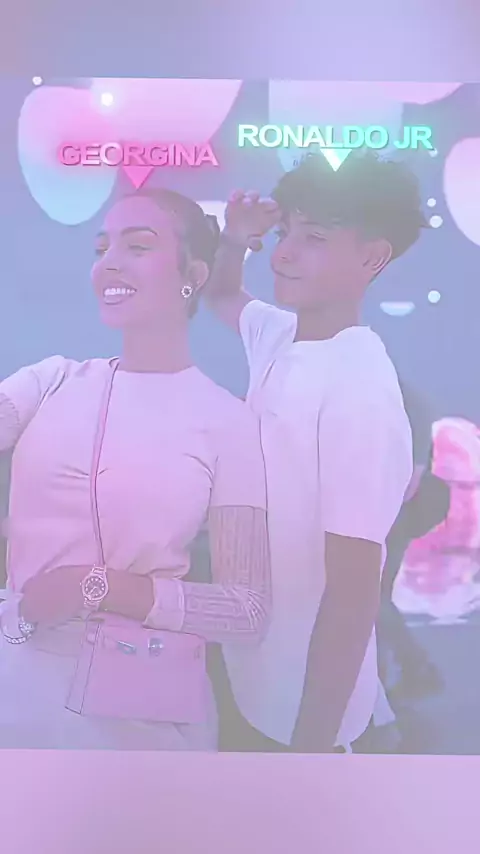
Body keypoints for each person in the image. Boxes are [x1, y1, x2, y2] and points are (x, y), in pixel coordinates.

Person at [0, 188, 270, 751]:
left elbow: (246, 610)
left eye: (138, 246)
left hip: (142, 716)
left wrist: (97, 587)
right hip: (17, 691)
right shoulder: (49, 382)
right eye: (102, 249)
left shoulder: (228, 422)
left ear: (192, 275)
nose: (110, 264)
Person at [204, 151, 422, 753]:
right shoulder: (280, 332)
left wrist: (309, 754)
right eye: (284, 234)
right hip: (250, 675)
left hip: (302, 717)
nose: (284, 255)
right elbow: (222, 295)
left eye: (315, 239)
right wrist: (235, 239)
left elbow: (353, 593)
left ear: (372, 257)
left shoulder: (360, 388)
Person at [377, 380, 450, 701]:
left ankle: (414, 668)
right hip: (389, 514)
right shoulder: (399, 399)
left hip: (390, 515)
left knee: (372, 597)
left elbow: (412, 479)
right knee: (374, 597)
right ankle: (386, 674)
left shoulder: (402, 400)